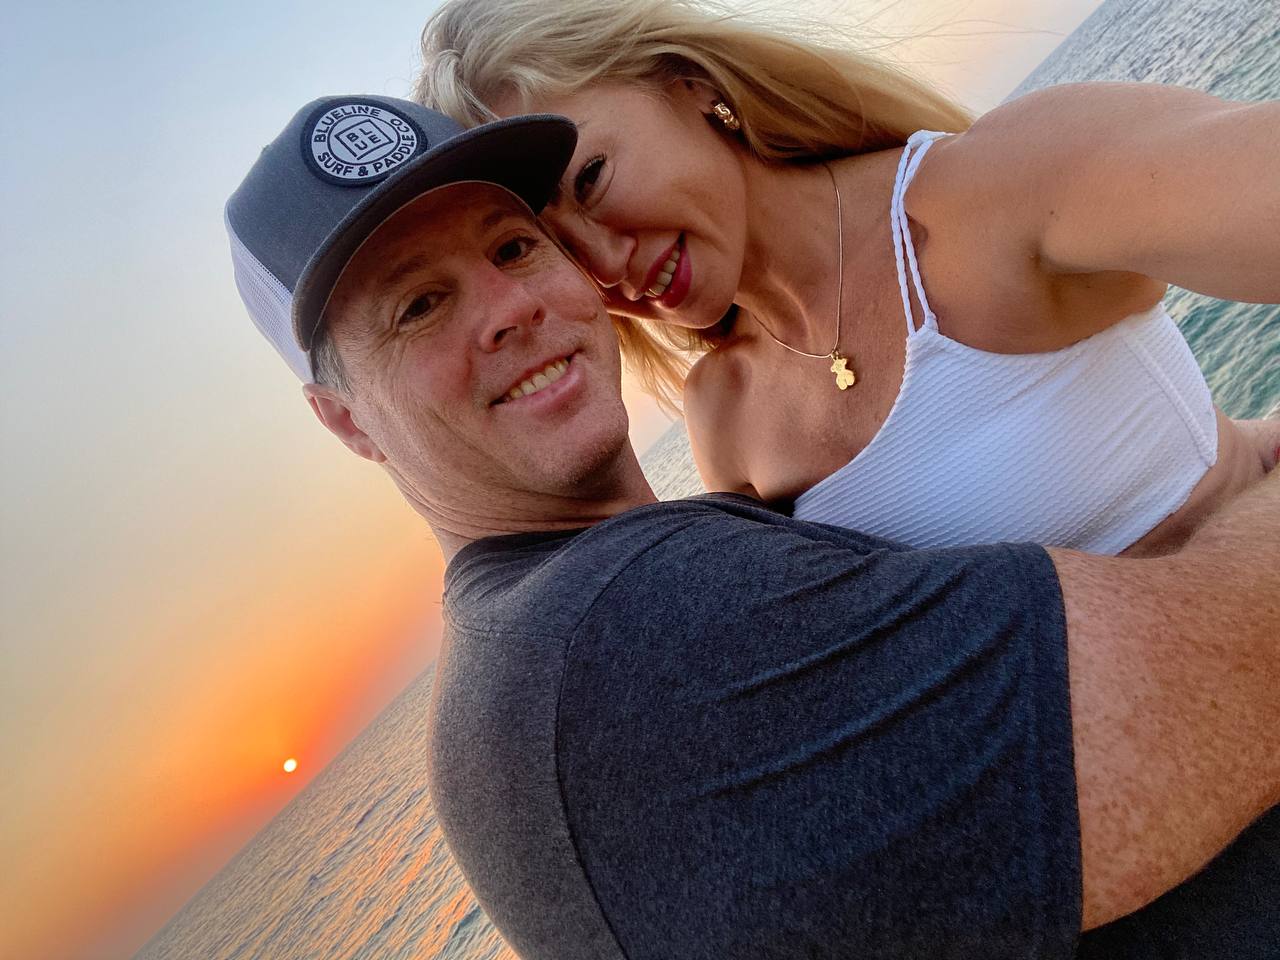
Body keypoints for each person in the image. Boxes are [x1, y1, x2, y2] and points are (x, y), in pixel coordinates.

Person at [226, 96, 1280, 959]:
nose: (509, 309)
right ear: (345, 420)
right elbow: (1217, 692)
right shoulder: (625, 640)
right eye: (418, 306)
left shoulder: (548, 643)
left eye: (514, 245)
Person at [414, 0, 1279, 557]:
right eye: (554, 248)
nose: (606, 268)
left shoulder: (993, 188)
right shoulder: (727, 418)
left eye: (593, 179)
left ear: (690, 85)